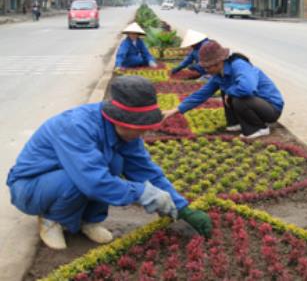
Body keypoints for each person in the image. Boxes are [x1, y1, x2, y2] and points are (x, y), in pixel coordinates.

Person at [7, 75, 212, 250]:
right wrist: (143, 194)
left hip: (68, 176)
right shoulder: (76, 126)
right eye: (139, 128)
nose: (144, 133)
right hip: (30, 186)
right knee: (80, 180)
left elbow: (146, 171)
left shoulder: (127, 135)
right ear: (118, 120)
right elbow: (93, 182)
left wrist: (183, 208)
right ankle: (52, 220)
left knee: (114, 164)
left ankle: (89, 221)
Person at [163, 41, 284, 139]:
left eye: (207, 67)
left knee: (237, 98)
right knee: (228, 92)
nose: (205, 70)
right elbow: (200, 95)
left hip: (271, 108)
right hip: (257, 104)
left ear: (218, 63)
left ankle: (259, 128)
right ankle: (235, 123)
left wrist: (230, 92)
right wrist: (175, 110)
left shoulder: (239, 65)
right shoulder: (218, 75)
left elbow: (248, 88)